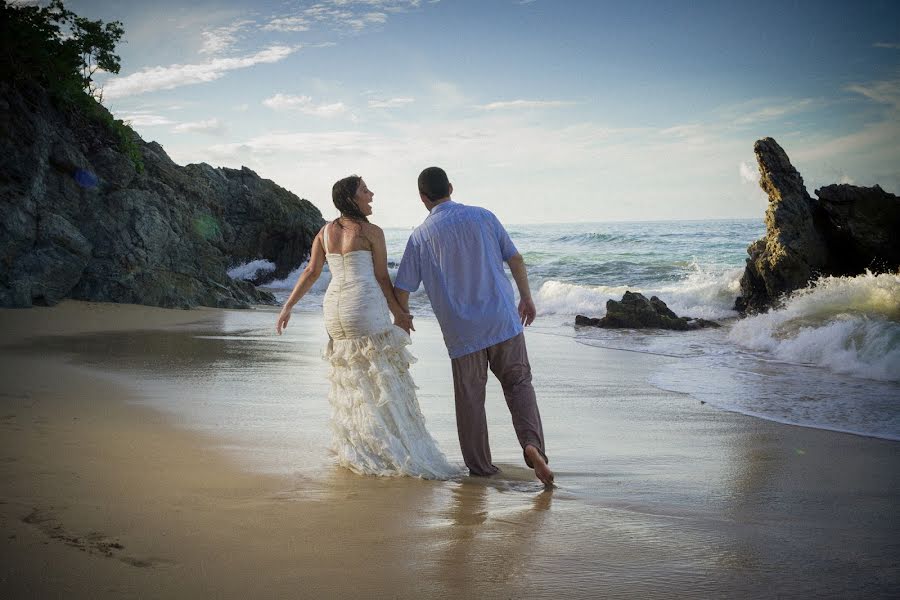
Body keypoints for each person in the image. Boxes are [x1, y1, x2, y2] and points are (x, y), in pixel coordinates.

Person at [276, 175, 458, 479]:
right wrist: (400, 313)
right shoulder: (371, 232)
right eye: (364, 190)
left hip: (334, 308)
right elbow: (383, 279)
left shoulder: (324, 232)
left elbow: (311, 272)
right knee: (381, 378)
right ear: (351, 198)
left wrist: (288, 306)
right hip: (363, 304)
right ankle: (393, 451)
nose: (371, 194)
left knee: (352, 378)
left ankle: (360, 447)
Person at [393, 167, 554, 486]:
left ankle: (481, 467)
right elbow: (516, 259)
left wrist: (404, 320)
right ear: (451, 187)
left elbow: (403, 289)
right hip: (503, 321)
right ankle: (532, 446)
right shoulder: (483, 216)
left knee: (470, 401)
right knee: (519, 384)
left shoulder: (420, 236)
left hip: (462, 334)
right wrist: (526, 298)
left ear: (423, 198)